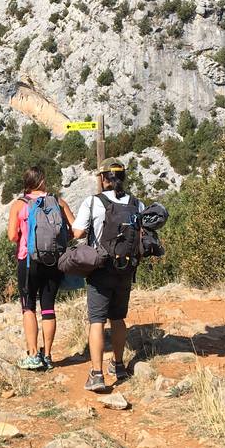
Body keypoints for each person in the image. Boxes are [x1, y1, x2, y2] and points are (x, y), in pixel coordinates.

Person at [73, 158, 146, 393]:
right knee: (118, 318)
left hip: (100, 269)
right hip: (125, 270)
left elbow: (78, 232)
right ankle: (119, 365)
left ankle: (97, 374)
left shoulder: (93, 202)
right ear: (122, 177)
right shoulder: (137, 204)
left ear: (103, 178)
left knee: (96, 320)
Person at [7, 166, 75, 370]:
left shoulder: (19, 205)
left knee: (28, 307)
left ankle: (33, 355)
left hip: (28, 262)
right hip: (54, 261)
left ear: (26, 183)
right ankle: (48, 355)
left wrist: (25, 235)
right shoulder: (57, 201)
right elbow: (75, 229)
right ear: (42, 181)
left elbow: (12, 236)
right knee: (48, 307)